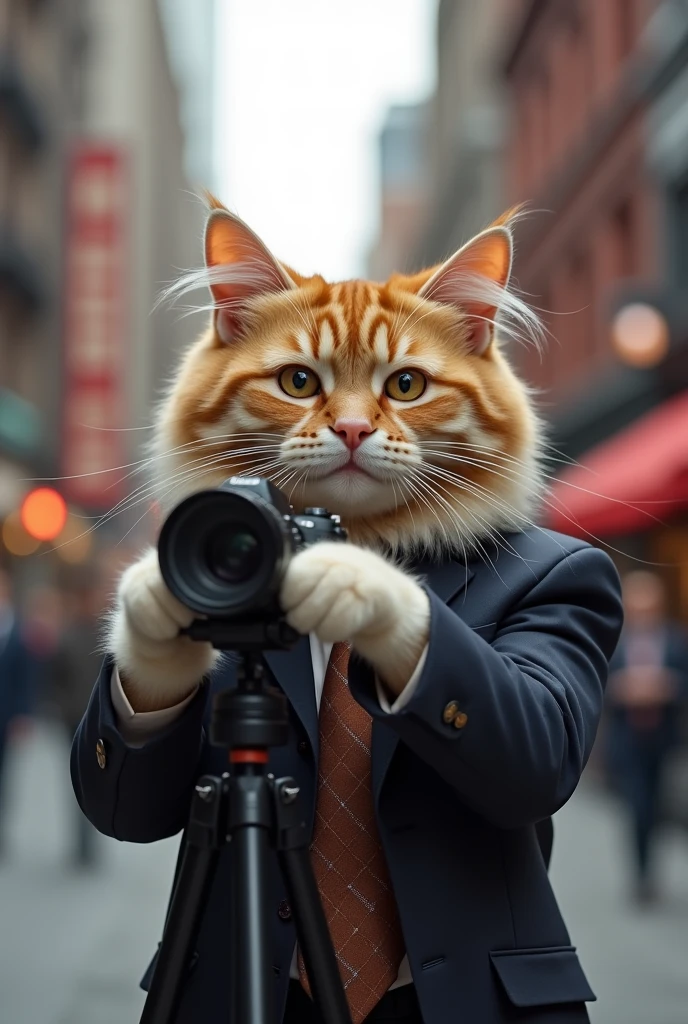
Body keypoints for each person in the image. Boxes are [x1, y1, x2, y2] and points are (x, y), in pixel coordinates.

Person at [71, 203, 624, 1024]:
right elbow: (125, 812)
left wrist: (403, 628)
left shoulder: (552, 575)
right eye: (300, 380)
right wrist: (153, 674)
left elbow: (536, 772)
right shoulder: (213, 581)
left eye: (407, 385)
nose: (356, 425)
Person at [606, 571, 688, 903]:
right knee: (638, 807)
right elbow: (597, 689)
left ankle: (655, 862)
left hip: (665, 739)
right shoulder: (613, 641)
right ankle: (642, 875)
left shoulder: (676, 640)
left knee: (659, 807)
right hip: (628, 739)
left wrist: (668, 686)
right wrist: (624, 688)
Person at [0, 568, 34, 856]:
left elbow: (27, 678)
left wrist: (23, 715)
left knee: (3, 776)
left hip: (5, 717)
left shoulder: (18, 632)